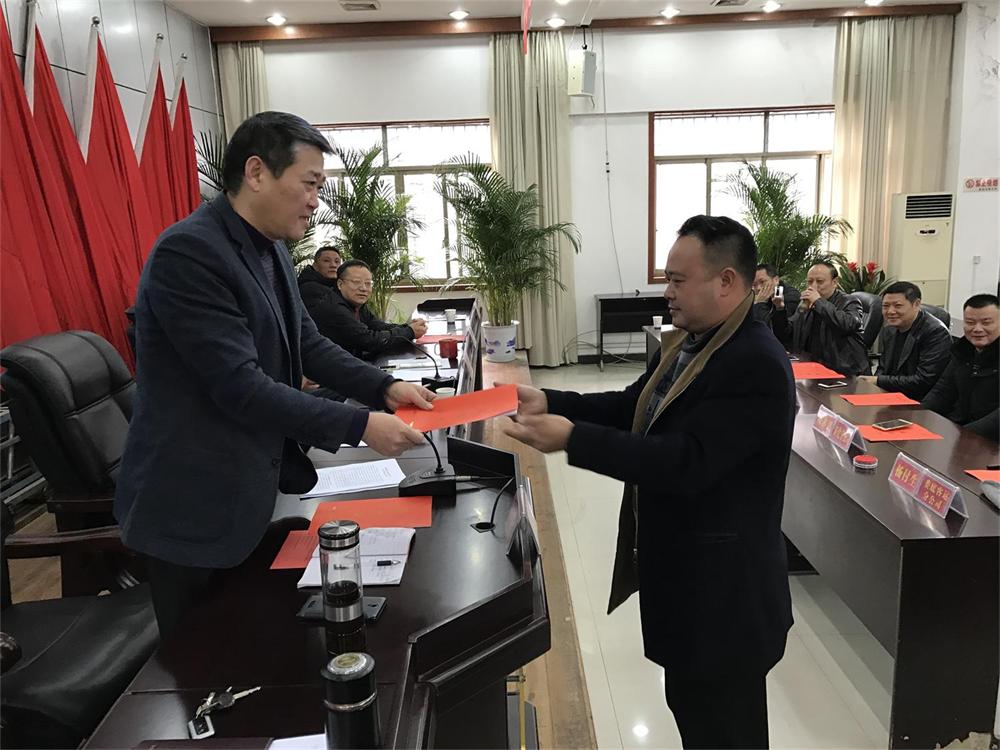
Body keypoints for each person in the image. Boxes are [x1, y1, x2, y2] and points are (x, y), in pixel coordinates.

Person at [114, 112, 435, 636]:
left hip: (253, 489)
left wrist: (385, 387)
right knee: (201, 661)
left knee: (262, 648)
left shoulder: (272, 250)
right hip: (193, 504)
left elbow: (307, 343)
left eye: (320, 187)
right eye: (309, 183)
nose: (315, 200)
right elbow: (240, 388)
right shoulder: (190, 252)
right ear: (257, 172)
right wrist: (359, 425)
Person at [503, 215, 794, 749]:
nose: (667, 292)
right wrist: (551, 400)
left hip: (726, 598)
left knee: (727, 730)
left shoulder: (754, 361)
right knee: (693, 713)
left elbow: (688, 462)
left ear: (726, 281)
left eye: (678, 280)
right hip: (688, 584)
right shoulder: (689, 343)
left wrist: (573, 439)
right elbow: (633, 406)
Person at [308, 258, 428, 361]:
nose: (363, 288)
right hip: (330, 369)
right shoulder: (334, 308)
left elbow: (377, 325)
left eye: (368, 283)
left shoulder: (354, 302)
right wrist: (409, 331)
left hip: (349, 362)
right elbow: (369, 341)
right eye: (356, 282)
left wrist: (407, 327)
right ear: (340, 284)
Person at [922, 293, 999, 441]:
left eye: (986, 322)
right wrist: (916, 416)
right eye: (970, 322)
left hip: (990, 441)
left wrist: (963, 434)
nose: (977, 329)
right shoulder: (962, 351)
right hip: (960, 432)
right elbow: (942, 392)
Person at [772, 260, 868, 376]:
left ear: (834, 282)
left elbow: (848, 323)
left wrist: (818, 301)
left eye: (820, 282)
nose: (813, 286)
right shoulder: (807, 303)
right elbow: (788, 332)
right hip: (813, 368)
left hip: (844, 371)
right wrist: (780, 309)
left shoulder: (850, 301)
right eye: (810, 282)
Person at [856, 281, 950, 399]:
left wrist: (878, 381)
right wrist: (875, 385)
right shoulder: (890, 328)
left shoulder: (935, 332)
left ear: (916, 304)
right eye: (885, 306)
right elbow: (883, 368)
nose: (890, 311)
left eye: (898, 306)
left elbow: (924, 381)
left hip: (920, 400)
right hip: (892, 395)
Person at [752, 263, 801, 346]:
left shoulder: (790, 296)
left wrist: (760, 304)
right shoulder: (760, 299)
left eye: (762, 282)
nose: (758, 288)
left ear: (776, 280)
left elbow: (769, 330)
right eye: (754, 285)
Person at [297, 245, 343, 310]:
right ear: (315, 265)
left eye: (337, 261)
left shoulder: (340, 287)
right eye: (326, 261)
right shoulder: (309, 288)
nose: (333, 265)